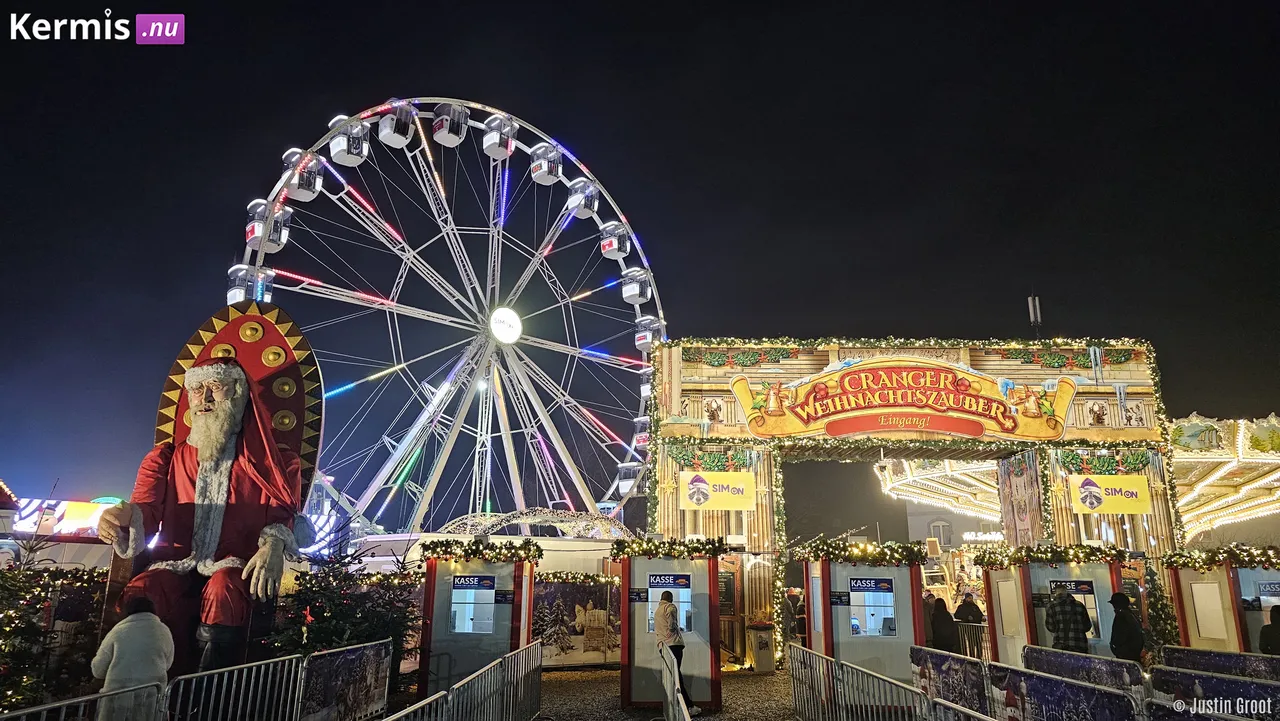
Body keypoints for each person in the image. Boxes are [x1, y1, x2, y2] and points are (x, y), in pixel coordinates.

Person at [97, 357, 305, 672]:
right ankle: (135, 689)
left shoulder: (274, 464)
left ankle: (209, 694)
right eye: (196, 390)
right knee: (144, 590)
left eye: (215, 387)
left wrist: (274, 544)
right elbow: (144, 512)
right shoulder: (165, 460)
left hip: (235, 565)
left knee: (223, 591)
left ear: (238, 392)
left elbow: (282, 516)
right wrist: (120, 519)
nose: (204, 399)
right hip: (175, 560)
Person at [91, 596, 174, 721]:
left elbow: (98, 669)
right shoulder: (164, 631)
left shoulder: (119, 631)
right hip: (151, 699)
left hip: (118, 701)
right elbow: (168, 663)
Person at [655, 591, 701, 717]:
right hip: (674, 644)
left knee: (673, 676)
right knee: (677, 677)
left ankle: (677, 706)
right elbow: (671, 621)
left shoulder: (657, 610)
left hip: (663, 646)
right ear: (670, 598)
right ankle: (688, 707)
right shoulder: (670, 607)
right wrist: (674, 628)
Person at [1045, 587, 1092, 653]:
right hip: (1079, 644)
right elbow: (1087, 626)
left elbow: (1051, 627)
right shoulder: (1080, 605)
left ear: (1056, 593)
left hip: (1061, 646)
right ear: (1067, 592)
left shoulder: (1051, 606)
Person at [1107, 592, 1144, 662]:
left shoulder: (1121, 616)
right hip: (1133, 653)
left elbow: (1119, 635)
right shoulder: (1131, 614)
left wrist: (1115, 647)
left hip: (1126, 654)